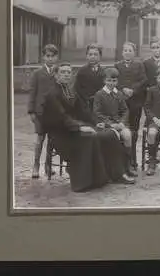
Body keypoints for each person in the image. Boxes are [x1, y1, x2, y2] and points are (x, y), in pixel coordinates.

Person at [42, 62, 135, 193]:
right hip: (62, 133)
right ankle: (86, 181)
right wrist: (80, 128)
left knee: (110, 134)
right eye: (62, 72)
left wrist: (96, 123)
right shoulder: (52, 94)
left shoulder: (71, 91)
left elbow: (84, 112)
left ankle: (117, 174)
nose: (66, 75)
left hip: (75, 128)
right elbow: (62, 118)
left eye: (68, 72)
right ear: (56, 75)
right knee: (90, 138)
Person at [93, 67, 137, 178]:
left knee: (127, 135)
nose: (111, 83)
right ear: (104, 81)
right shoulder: (99, 94)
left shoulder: (119, 94)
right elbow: (97, 113)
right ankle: (117, 169)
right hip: (107, 125)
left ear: (117, 81)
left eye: (114, 81)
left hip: (120, 123)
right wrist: (110, 124)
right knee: (115, 136)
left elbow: (125, 110)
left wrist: (122, 122)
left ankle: (128, 166)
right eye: (109, 81)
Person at [115, 42, 148, 174]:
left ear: (134, 53)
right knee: (122, 130)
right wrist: (123, 89)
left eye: (130, 50)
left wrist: (133, 90)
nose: (127, 52)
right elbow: (114, 80)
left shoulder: (139, 65)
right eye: (125, 50)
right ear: (122, 52)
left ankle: (133, 161)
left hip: (135, 103)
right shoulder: (117, 65)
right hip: (121, 103)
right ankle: (122, 161)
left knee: (133, 131)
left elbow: (143, 80)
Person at [27, 44, 59, 179]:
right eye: (48, 56)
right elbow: (32, 93)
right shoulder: (37, 73)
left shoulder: (58, 72)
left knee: (52, 140)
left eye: (53, 56)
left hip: (54, 112)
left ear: (56, 57)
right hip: (40, 112)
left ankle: (48, 166)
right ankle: (36, 166)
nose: (50, 59)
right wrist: (31, 111)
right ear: (43, 57)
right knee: (40, 139)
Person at [74, 44, 106, 109]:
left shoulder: (104, 72)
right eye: (90, 54)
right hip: (86, 105)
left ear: (100, 56)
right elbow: (77, 89)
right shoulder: (81, 71)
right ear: (86, 56)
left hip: (101, 105)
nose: (92, 57)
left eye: (95, 54)